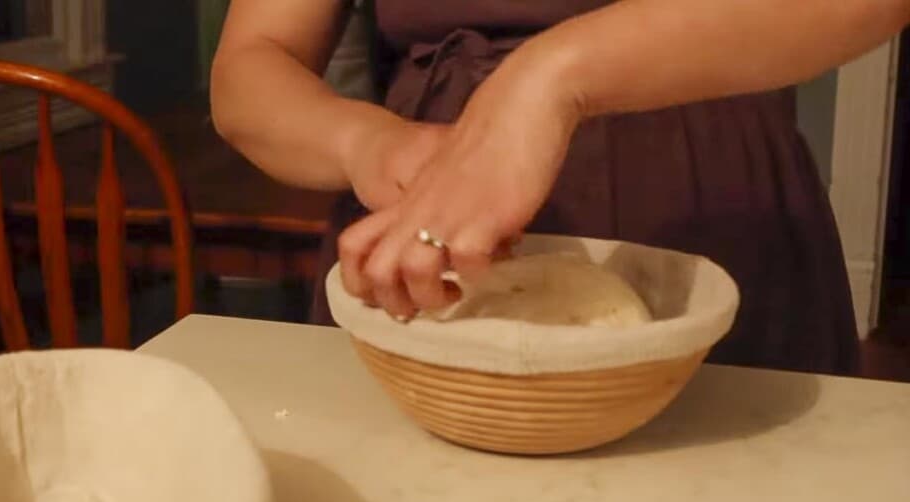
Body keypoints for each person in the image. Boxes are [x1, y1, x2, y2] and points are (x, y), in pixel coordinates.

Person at [210, 0, 910, 376]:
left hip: (722, 233)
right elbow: (251, 63)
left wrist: (553, 76)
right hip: (423, 258)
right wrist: (366, 142)